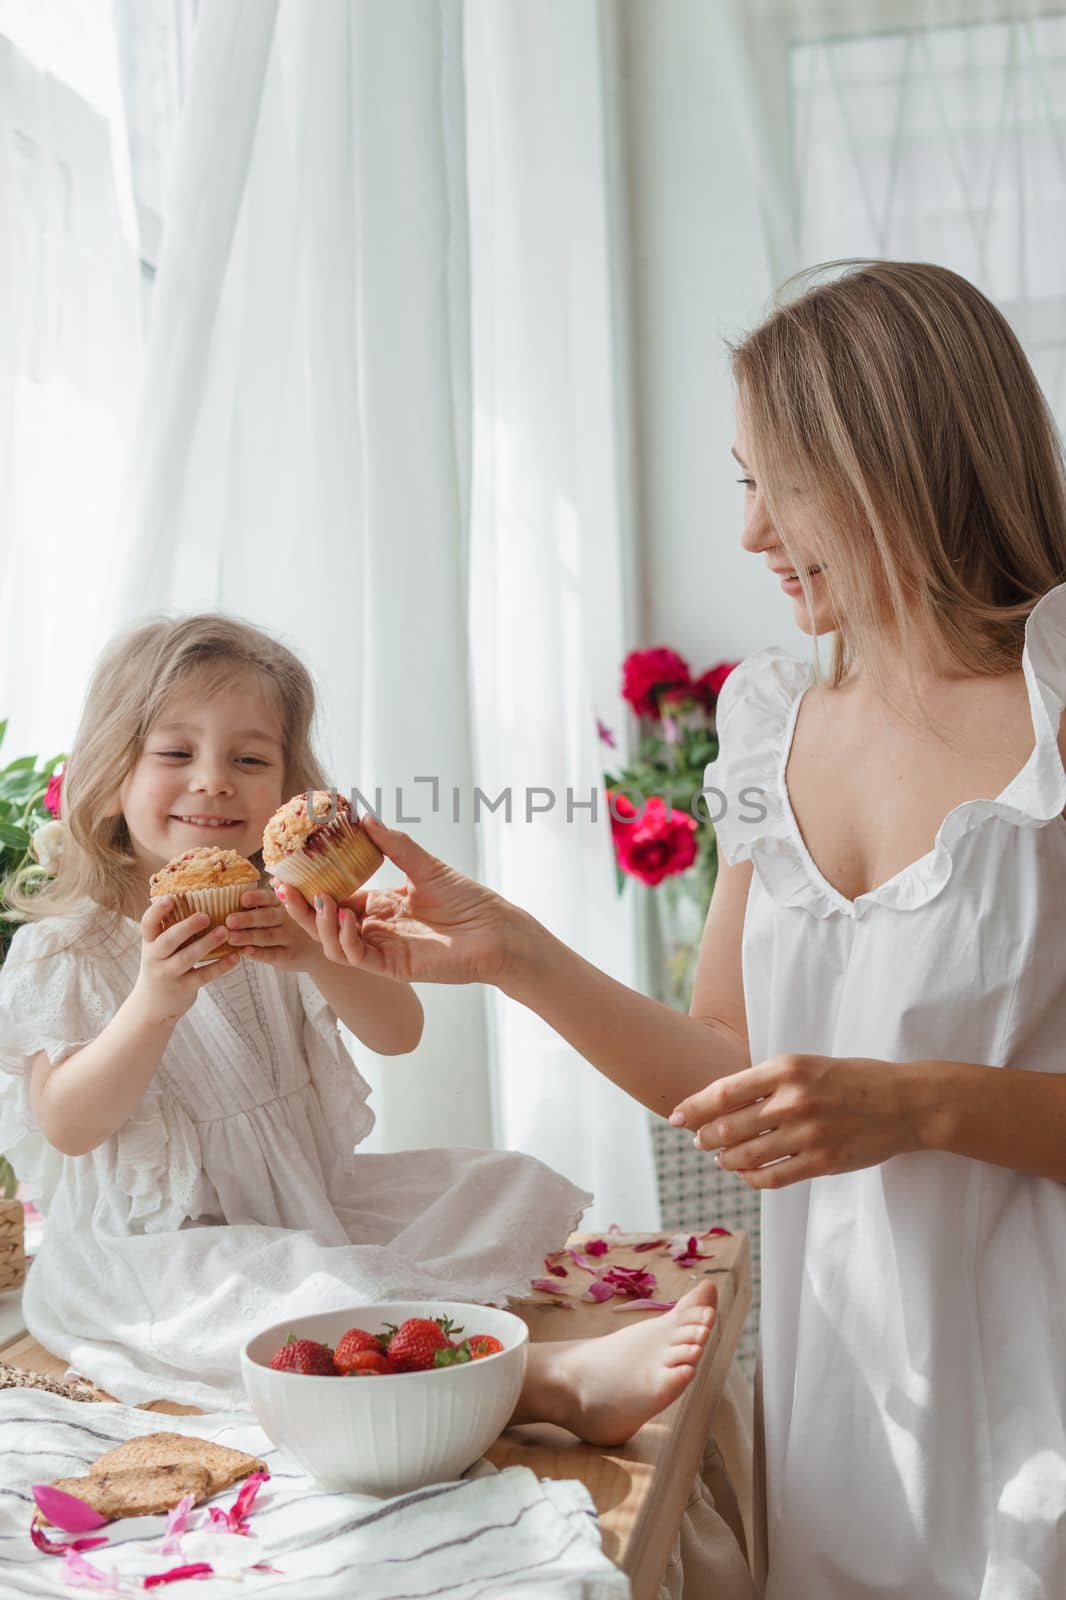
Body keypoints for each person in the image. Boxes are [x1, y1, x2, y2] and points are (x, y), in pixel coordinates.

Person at [281, 261, 1066, 1597]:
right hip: (846, 1417)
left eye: (775, 483)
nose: (751, 534)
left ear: (888, 465)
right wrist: (508, 950)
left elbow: (870, 1106)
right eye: (738, 484)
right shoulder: (774, 721)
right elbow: (727, 1068)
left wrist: (923, 1106)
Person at [0, 614, 716, 1422]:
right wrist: (153, 1003)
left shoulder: (292, 912)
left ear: (288, 790)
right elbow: (66, 1125)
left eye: (250, 758)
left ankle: (452, 1343)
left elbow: (395, 1032)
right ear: (110, 775)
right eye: (175, 753)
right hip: (152, 1254)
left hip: (307, 1201)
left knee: (490, 1185)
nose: (214, 781)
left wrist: (320, 955)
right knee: (318, 1292)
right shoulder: (66, 946)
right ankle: (548, 1386)